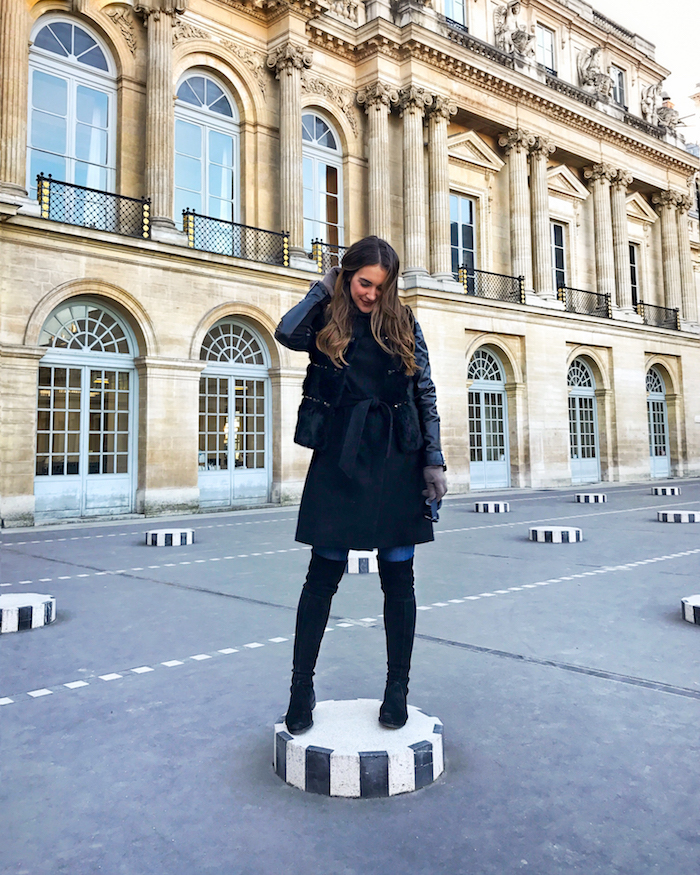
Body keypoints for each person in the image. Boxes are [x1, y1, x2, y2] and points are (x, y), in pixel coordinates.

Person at [274, 236, 447, 734]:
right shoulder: (327, 317)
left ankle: (397, 689)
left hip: (398, 453)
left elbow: (424, 391)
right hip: (340, 456)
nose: (372, 294)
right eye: (364, 282)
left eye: (381, 286)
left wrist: (432, 462)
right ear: (348, 274)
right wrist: (321, 289)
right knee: (322, 575)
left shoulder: (403, 322)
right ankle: (301, 688)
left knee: (399, 577)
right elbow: (286, 333)